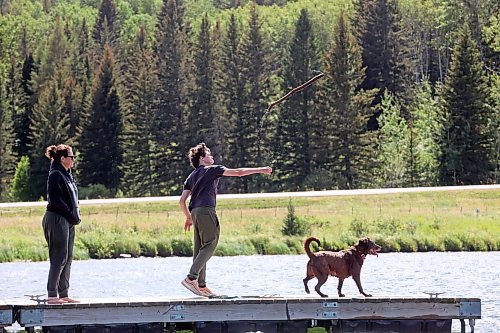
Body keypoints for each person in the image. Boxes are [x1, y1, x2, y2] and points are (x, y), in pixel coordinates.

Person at [179, 143, 272, 297]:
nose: (212, 156)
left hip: (195, 211)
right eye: (209, 154)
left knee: (200, 248)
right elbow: (239, 172)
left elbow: (182, 201)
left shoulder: (191, 176)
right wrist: (261, 170)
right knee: (210, 243)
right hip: (207, 210)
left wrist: (189, 217)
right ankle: (191, 278)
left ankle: (201, 285)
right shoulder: (213, 169)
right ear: (202, 158)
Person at [42, 144, 81, 304]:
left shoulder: (67, 174)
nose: (73, 160)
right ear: (63, 158)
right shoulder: (56, 174)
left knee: (68, 256)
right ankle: (52, 295)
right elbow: (56, 201)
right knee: (59, 256)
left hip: (68, 220)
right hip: (57, 218)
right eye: (71, 157)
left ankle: (63, 293)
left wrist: (73, 217)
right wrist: (71, 216)